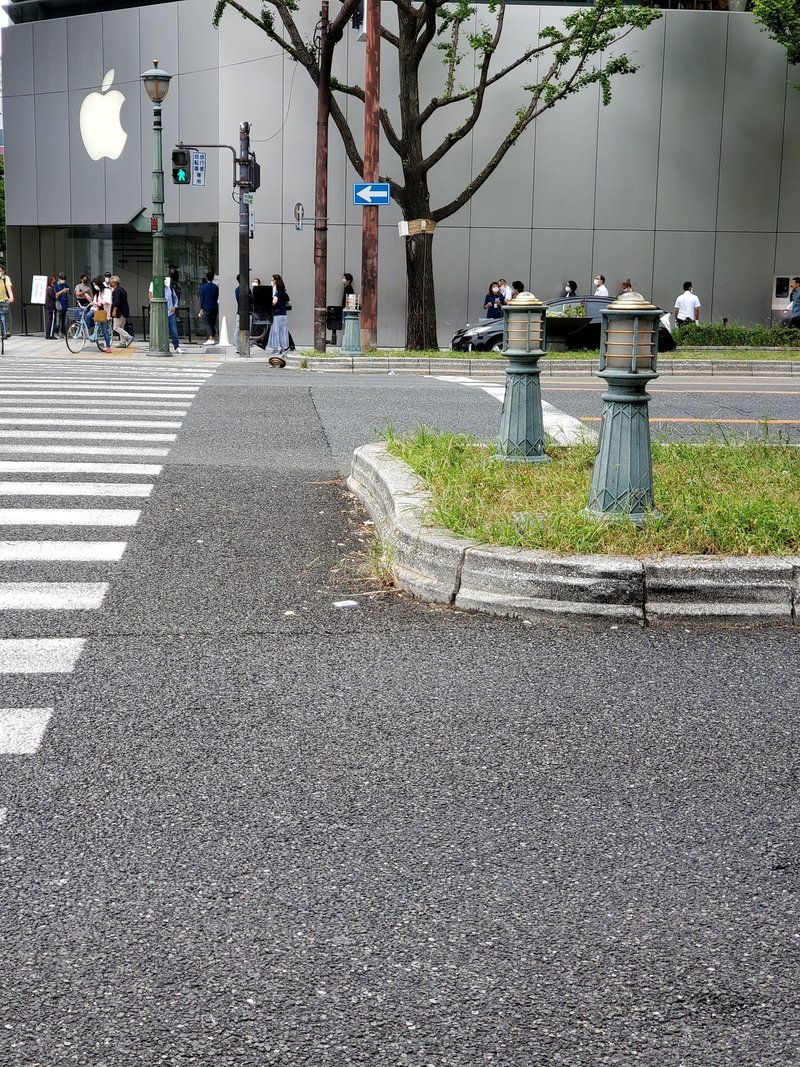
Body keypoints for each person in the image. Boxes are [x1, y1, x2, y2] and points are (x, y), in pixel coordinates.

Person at [264, 273, 290, 354]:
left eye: (272, 280)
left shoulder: (277, 293)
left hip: (277, 314)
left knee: (275, 331)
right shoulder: (284, 293)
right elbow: (288, 303)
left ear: (275, 281)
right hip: (284, 314)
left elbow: (274, 302)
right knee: (283, 331)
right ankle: (283, 347)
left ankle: (276, 348)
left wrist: (268, 302)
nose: (271, 281)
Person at [89, 276, 111, 352]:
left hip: (103, 313)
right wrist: (94, 303)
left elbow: (108, 301)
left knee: (105, 330)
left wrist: (100, 304)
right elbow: (94, 301)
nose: (95, 286)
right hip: (97, 311)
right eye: (94, 285)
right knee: (88, 315)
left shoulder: (107, 291)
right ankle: (88, 331)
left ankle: (108, 347)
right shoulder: (97, 292)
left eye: (96, 284)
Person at [110, 276, 133, 348]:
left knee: (116, 327)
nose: (110, 283)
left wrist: (114, 310)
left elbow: (117, 302)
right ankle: (122, 342)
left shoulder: (116, 291)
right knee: (121, 327)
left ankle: (128, 337)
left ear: (114, 283)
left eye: (111, 282)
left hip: (119, 312)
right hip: (124, 311)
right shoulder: (122, 290)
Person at [197, 271, 219, 345]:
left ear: (206, 278)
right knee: (212, 323)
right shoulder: (216, 287)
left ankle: (210, 338)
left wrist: (201, 308)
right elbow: (216, 297)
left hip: (206, 307)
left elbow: (202, 298)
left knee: (207, 323)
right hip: (214, 307)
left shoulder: (203, 287)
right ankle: (213, 336)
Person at [166, 281, 182, 353]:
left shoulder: (170, 289)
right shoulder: (158, 290)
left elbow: (176, 298)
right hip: (162, 313)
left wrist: (175, 306)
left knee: (174, 331)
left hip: (170, 312)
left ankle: (176, 346)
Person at [54, 272, 71, 337]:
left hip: (65, 306)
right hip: (59, 305)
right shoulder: (55, 286)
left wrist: (68, 291)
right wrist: (62, 291)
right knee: (57, 321)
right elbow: (56, 295)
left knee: (65, 322)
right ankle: (56, 333)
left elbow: (69, 294)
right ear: (58, 278)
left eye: (64, 279)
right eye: (62, 279)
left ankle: (63, 333)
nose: (63, 280)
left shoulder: (66, 285)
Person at [0, 265, 14, 338]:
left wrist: (11, 297)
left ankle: (7, 330)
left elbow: (8, 288)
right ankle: (2, 332)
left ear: (3, 272)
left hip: (4, 300)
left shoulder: (6, 278)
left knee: (6, 314)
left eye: (0, 271)